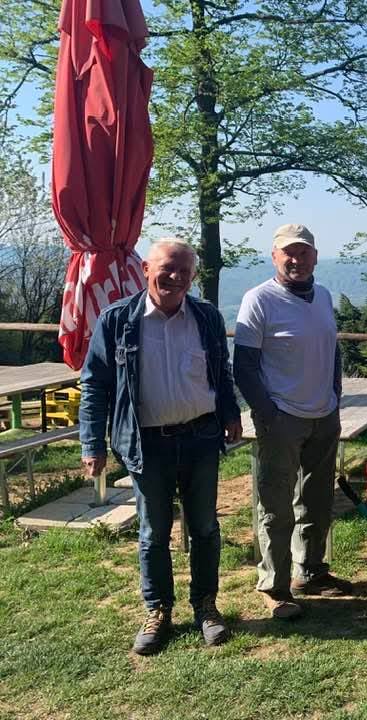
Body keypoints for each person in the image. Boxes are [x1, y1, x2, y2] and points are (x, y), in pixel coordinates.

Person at [79, 239, 242, 655]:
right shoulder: (118, 320)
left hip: (201, 438)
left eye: (185, 271)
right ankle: (158, 611)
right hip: (146, 443)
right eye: (168, 268)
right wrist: (92, 443)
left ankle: (206, 607)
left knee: (204, 527)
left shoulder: (205, 316)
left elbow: (220, 372)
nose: (176, 277)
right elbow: (95, 384)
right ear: (146, 270)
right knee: (154, 532)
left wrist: (230, 413)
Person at [234, 223, 351, 620]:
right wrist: (267, 414)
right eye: (289, 253)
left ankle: (311, 571)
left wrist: (333, 398)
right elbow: (244, 366)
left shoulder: (324, 296)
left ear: (315, 257)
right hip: (282, 419)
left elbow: (331, 351)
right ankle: (274, 586)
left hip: (323, 416)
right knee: (276, 506)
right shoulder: (259, 299)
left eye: (304, 252)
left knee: (317, 502)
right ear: (274, 257)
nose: (296, 260)